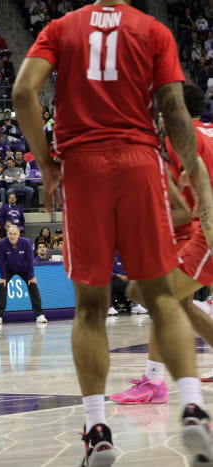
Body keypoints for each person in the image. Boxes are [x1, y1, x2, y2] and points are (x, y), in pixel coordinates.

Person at [12, 1, 213, 464]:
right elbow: (174, 110)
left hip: (82, 168)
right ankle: (193, 408)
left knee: (89, 308)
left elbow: (24, 93)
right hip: (140, 163)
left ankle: (98, 429)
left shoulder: (62, 28)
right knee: (163, 296)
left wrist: (47, 164)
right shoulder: (153, 30)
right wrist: (193, 169)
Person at [111, 85, 213, 400]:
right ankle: (152, 379)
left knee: (159, 296)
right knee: (175, 301)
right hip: (193, 229)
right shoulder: (209, 131)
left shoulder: (179, 138)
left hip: (204, 229)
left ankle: (154, 381)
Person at [0, 225, 46, 326]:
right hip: (8, 269)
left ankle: (39, 314)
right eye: (10, 234)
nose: (12, 236)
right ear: (7, 234)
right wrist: (2, 276)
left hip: (24, 268)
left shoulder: (26, 242)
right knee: (2, 285)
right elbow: (0, 261)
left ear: (18, 235)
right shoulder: (1, 243)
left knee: (33, 285)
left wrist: (31, 275)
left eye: (14, 234)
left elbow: (30, 260)